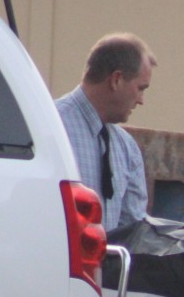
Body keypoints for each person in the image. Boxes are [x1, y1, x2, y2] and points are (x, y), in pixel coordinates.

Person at [55, 32, 156, 231]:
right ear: (116, 79)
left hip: (107, 262)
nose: (141, 100)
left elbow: (132, 233)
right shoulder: (48, 128)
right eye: (140, 88)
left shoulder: (126, 148)